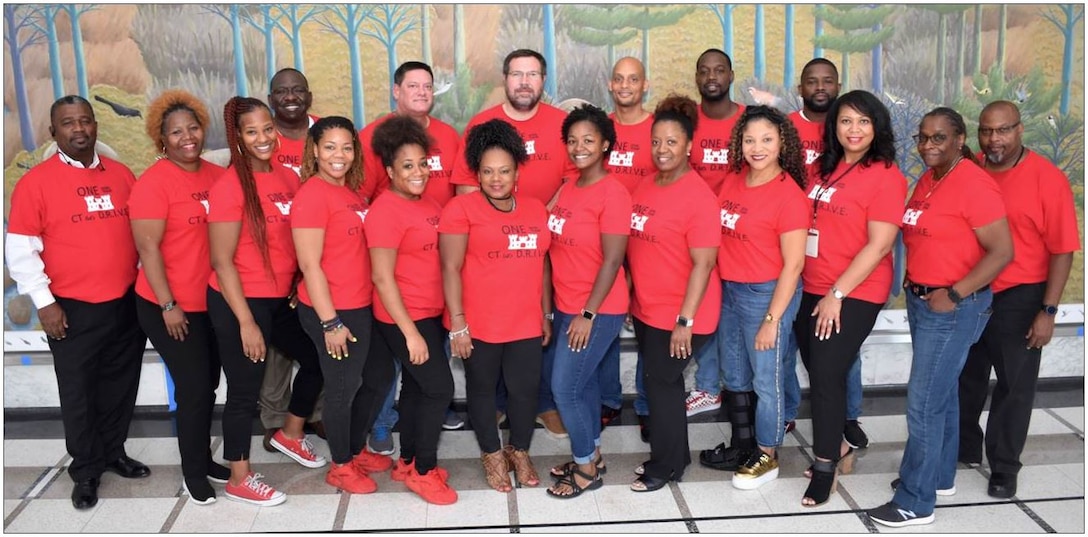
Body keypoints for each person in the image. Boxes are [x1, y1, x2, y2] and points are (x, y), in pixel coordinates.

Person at [868, 107, 1012, 527]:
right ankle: (938, 476)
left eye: (939, 138)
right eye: (923, 138)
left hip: (952, 307)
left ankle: (916, 500)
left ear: (960, 139)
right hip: (924, 301)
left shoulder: (973, 184)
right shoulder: (931, 178)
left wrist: (954, 293)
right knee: (943, 395)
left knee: (925, 402)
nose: (928, 145)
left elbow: (1003, 252)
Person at [6, 95, 150, 510]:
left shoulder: (122, 175)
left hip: (125, 302)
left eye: (85, 121)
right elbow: (20, 252)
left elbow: (141, 239)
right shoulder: (36, 183)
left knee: (121, 384)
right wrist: (45, 303)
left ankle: (113, 452)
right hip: (69, 307)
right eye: (69, 123)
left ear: (96, 126)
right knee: (79, 392)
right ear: (54, 132)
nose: (79, 129)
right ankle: (86, 470)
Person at [449, 48, 577, 438]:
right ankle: (499, 407)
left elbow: (575, 176)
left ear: (543, 80)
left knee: (541, 324)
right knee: (494, 328)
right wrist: (500, 219)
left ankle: (542, 402)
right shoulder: (481, 123)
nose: (524, 81)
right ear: (504, 79)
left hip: (548, 236)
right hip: (491, 244)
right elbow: (465, 185)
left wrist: (537, 213)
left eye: (533, 74)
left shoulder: (561, 123)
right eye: (517, 74)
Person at [207, 96, 326, 507]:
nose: (263, 138)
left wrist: (294, 281)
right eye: (251, 132)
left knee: (318, 357)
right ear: (237, 138)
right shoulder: (228, 187)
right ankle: (240, 477)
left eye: (267, 129)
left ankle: (290, 433)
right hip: (239, 301)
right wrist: (246, 322)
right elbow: (222, 263)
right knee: (243, 391)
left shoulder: (285, 177)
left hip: (278, 300)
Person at [790, 90, 907, 507]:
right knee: (821, 369)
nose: (853, 130)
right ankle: (839, 445)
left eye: (863, 121)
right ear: (833, 127)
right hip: (811, 284)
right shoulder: (821, 168)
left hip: (854, 291)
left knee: (824, 376)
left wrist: (838, 293)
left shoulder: (887, 175)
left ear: (877, 127)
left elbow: (879, 246)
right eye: (845, 121)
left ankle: (825, 467)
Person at [959, 101, 1079, 498]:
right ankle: (964, 448)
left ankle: (1005, 467)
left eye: (1003, 130)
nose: (994, 139)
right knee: (964, 378)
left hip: (1021, 294)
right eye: (987, 131)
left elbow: (1063, 250)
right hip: (971, 290)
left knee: (1015, 385)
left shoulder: (1047, 178)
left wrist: (1047, 310)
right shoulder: (968, 169)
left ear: (1020, 130)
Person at [128, 90, 230, 505]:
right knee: (192, 388)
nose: (187, 137)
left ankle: (203, 459)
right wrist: (169, 305)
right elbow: (148, 249)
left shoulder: (217, 176)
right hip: (167, 306)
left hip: (211, 303)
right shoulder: (153, 184)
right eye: (176, 132)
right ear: (161, 139)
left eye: (193, 128)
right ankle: (193, 474)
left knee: (207, 387)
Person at [358, 61, 465, 456]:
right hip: (397, 265)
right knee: (396, 360)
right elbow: (362, 196)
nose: (421, 92)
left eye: (427, 86)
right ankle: (384, 425)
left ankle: (423, 420)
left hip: (434, 264)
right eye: (412, 85)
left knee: (425, 366)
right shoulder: (372, 138)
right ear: (395, 91)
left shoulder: (448, 137)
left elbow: (458, 194)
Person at [440, 119, 553, 494]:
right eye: (487, 171)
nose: (496, 179)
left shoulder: (536, 209)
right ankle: (491, 453)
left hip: (525, 321)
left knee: (525, 391)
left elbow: (543, 264)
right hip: (479, 323)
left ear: (517, 170)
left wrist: (546, 312)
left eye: (504, 170)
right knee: (483, 391)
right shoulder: (460, 208)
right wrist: (458, 323)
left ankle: (518, 450)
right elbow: (450, 268)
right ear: (477, 172)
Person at [701, 105, 809, 491]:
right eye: (749, 139)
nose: (757, 147)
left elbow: (794, 265)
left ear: (782, 143)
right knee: (736, 375)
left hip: (766, 295)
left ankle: (769, 454)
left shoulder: (789, 196)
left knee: (767, 379)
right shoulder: (733, 180)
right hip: (730, 291)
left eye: (766, 139)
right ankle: (744, 445)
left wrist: (772, 319)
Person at [293, 116, 393, 495]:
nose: (340, 155)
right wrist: (330, 323)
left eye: (347, 147)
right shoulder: (313, 195)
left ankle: (353, 449)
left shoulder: (351, 194)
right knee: (341, 390)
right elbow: (309, 264)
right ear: (315, 150)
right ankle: (340, 466)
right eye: (330, 147)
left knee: (380, 378)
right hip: (332, 311)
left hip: (361, 305)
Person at [627, 95, 721, 492]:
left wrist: (685, 320)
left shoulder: (697, 196)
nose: (662, 150)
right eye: (656, 142)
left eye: (671, 142)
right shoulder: (646, 184)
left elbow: (703, 263)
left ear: (688, 147)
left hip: (685, 312)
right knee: (661, 384)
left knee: (661, 384)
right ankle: (676, 456)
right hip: (649, 308)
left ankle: (665, 467)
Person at [363, 115, 457, 505]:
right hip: (404, 317)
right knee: (440, 388)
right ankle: (423, 472)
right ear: (389, 171)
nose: (418, 172)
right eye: (407, 166)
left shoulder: (429, 202)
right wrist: (411, 333)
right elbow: (383, 279)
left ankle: (407, 461)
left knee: (419, 389)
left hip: (429, 312)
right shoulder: (386, 210)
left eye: (423, 163)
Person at [543, 105, 631, 498]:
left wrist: (588, 313)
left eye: (588, 141)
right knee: (587, 382)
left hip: (597, 308)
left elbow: (613, 260)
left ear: (606, 145)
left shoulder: (612, 193)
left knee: (565, 387)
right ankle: (593, 454)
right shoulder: (569, 186)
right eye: (573, 141)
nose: (579, 148)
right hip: (567, 303)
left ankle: (584, 470)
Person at [781, 59, 870, 448]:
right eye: (811, 81)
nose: (820, 87)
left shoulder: (848, 135)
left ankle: (847, 417)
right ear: (800, 87)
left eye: (828, 81)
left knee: (840, 350)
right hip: (789, 247)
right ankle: (784, 414)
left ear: (838, 85)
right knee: (786, 341)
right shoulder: (786, 126)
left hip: (837, 262)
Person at [260, 68, 326, 451]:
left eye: (297, 90)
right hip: (276, 259)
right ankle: (273, 418)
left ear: (309, 95)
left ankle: (312, 413)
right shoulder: (263, 137)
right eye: (281, 91)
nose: (290, 97)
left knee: (316, 339)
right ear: (271, 100)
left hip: (320, 257)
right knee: (277, 349)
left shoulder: (324, 135)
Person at [686, 48, 746, 418]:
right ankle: (708, 388)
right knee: (704, 306)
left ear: (731, 75)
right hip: (694, 233)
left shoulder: (748, 121)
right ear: (697, 77)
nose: (712, 76)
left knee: (736, 312)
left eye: (719, 70)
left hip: (738, 231)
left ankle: (742, 389)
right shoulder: (686, 120)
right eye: (705, 70)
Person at [599, 56, 655, 439]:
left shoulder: (656, 130)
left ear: (644, 85)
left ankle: (649, 406)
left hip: (649, 242)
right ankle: (607, 400)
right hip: (604, 243)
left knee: (650, 327)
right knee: (606, 322)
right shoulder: (600, 128)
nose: (625, 86)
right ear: (610, 84)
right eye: (618, 79)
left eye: (632, 79)